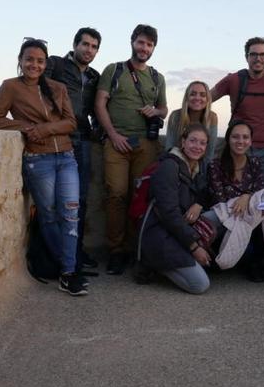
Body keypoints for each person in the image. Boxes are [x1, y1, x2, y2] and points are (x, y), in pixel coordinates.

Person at [0, 38, 87, 296]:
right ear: (20, 61)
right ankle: (67, 270)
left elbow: (70, 123)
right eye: (29, 59)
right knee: (49, 215)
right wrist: (24, 127)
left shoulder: (57, 88)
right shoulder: (10, 87)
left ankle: (68, 268)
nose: (34, 64)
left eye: (40, 61)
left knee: (70, 213)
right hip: (37, 159)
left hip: (65, 157)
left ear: (46, 63)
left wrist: (43, 129)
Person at [94, 24, 168, 275]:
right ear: (132, 42)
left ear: (153, 48)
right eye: (141, 42)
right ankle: (116, 251)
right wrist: (112, 134)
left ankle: (135, 248)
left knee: (141, 198)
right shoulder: (113, 70)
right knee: (116, 194)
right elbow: (100, 103)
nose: (144, 48)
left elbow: (164, 110)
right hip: (117, 142)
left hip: (145, 145)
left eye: (149, 44)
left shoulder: (158, 78)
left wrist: (155, 111)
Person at [44, 27, 101, 271]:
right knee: (54, 200)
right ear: (75, 44)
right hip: (57, 139)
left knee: (81, 198)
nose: (89, 50)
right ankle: (56, 254)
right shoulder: (55, 65)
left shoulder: (95, 76)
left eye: (94, 47)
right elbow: (34, 88)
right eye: (85, 44)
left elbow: (96, 107)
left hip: (83, 139)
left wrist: (99, 128)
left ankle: (76, 251)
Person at [139, 124, 217, 294]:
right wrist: (194, 247)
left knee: (217, 216)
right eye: (193, 141)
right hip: (161, 234)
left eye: (202, 143)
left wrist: (199, 204)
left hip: (179, 231)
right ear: (183, 141)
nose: (197, 146)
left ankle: (187, 260)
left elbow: (206, 191)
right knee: (200, 285)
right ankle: (155, 264)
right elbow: (169, 215)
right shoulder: (169, 167)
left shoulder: (197, 167)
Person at [207, 120, 264, 282]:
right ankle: (227, 258)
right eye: (235, 137)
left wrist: (246, 197)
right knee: (254, 211)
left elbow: (260, 191)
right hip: (227, 217)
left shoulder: (255, 163)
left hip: (251, 216)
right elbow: (220, 199)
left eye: (245, 137)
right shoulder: (215, 165)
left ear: (250, 141)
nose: (240, 141)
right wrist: (246, 201)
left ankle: (257, 264)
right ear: (228, 139)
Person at [211, 37, 264, 190]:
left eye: (262, 54)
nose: (258, 58)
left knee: (263, 197)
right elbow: (205, 99)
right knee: (234, 196)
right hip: (237, 148)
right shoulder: (234, 80)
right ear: (246, 57)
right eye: (253, 54)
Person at [164, 80, 219, 163]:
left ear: (207, 99)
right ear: (186, 97)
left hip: (201, 164)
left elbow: (209, 153)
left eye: (202, 95)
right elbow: (170, 147)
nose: (197, 98)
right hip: (176, 162)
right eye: (193, 94)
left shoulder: (212, 117)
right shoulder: (175, 116)